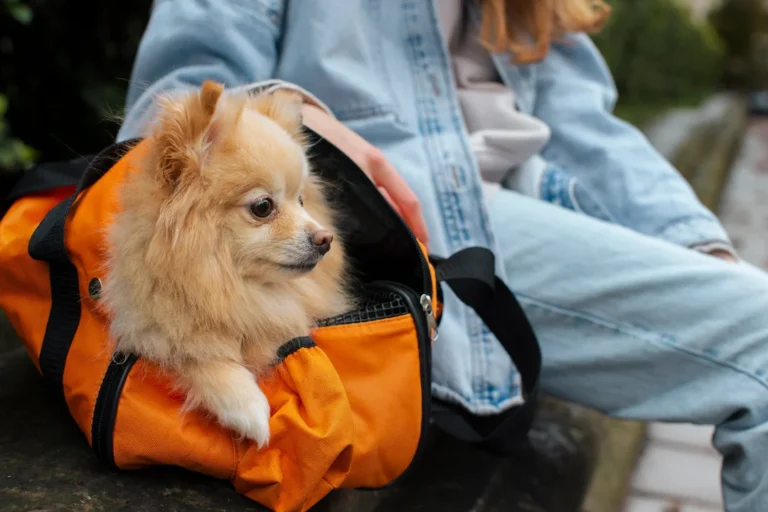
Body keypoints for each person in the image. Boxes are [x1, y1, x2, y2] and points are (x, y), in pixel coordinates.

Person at [118, 1, 765, 510]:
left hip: (521, 212)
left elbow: (590, 131)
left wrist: (698, 245)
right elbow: (167, 110)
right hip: (410, 222)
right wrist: (306, 114)